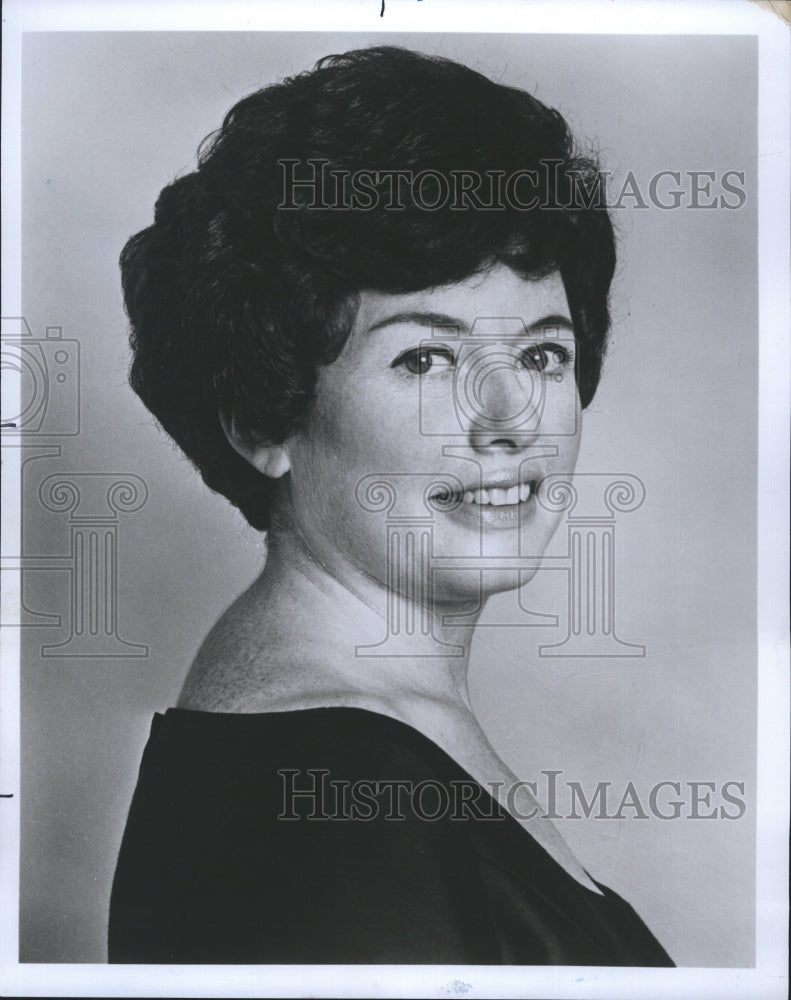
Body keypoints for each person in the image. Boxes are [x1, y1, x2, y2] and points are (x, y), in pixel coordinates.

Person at [108, 46, 674, 966]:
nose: (507, 422)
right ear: (264, 419)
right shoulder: (323, 804)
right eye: (426, 359)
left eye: (540, 355)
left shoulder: (355, 738)